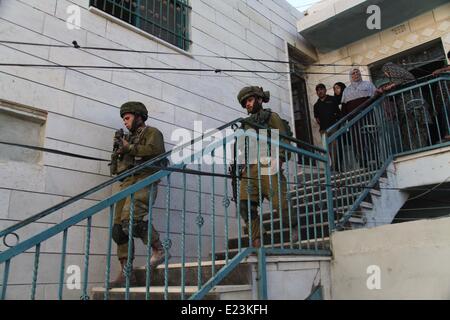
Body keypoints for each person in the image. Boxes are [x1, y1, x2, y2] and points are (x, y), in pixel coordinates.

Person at [109, 101, 168, 288]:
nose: (125, 122)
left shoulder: (152, 133)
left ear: (139, 116)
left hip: (146, 178)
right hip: (127, 182)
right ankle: (127, 274)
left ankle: (159, 249)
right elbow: (117, 171)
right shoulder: (127, 139)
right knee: (119, 229)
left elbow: (155, 152)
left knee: (130, 221)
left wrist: (129, 148)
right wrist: (117, 152)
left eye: (127, 118)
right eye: (123, 119)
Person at [236, 86, 298, 248]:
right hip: (249, 168)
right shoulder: (245, 124)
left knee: (281, 203)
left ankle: (293, 227)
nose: (247, 104)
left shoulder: (271, 117)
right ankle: (257, 240)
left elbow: (284, 139)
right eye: (245, 103)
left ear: (259, 99)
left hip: (268, 164)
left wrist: (281, 158)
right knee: (245, 206)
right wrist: (240, 165)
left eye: (249, 100)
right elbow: (243, 146)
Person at [381, 62, 434, 150]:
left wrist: (389, 87)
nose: (386, 74)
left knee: (416, 128)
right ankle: (416, 148)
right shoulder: (398, 78)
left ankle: (421, 148)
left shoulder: (402, 76)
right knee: (410, 131)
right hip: (409, 109)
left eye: (386, 72)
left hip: (412, 107)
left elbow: (399, 81)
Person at [313, 83, 341, 171]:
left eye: (321, 89)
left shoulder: (332, 99)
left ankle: (336, 167)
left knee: (335, 148)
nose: (320, 91)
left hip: (333, 127)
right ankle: (331, 167)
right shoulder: (316, 105)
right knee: (327, 150)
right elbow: (317, 119)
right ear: (316, 92)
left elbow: (338, 112)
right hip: (323, 130)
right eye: (318, 90)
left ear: (325, 90)